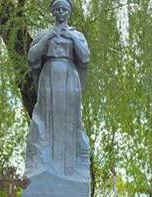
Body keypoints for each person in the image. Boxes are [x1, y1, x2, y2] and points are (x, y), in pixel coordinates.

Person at [25, 0, 91, 183]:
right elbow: (32, 57)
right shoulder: (44, 34)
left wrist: (72, 38)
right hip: (49, 76)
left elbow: (85, 58)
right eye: (58, 9)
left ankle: (69, 169)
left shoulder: (76, 34)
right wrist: (49, 36)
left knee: (70, 119)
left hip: (70, 78)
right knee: (46, 118)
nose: (61, 12)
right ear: (53, 12)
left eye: (64, 9)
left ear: (69, 12)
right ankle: (45, 164)